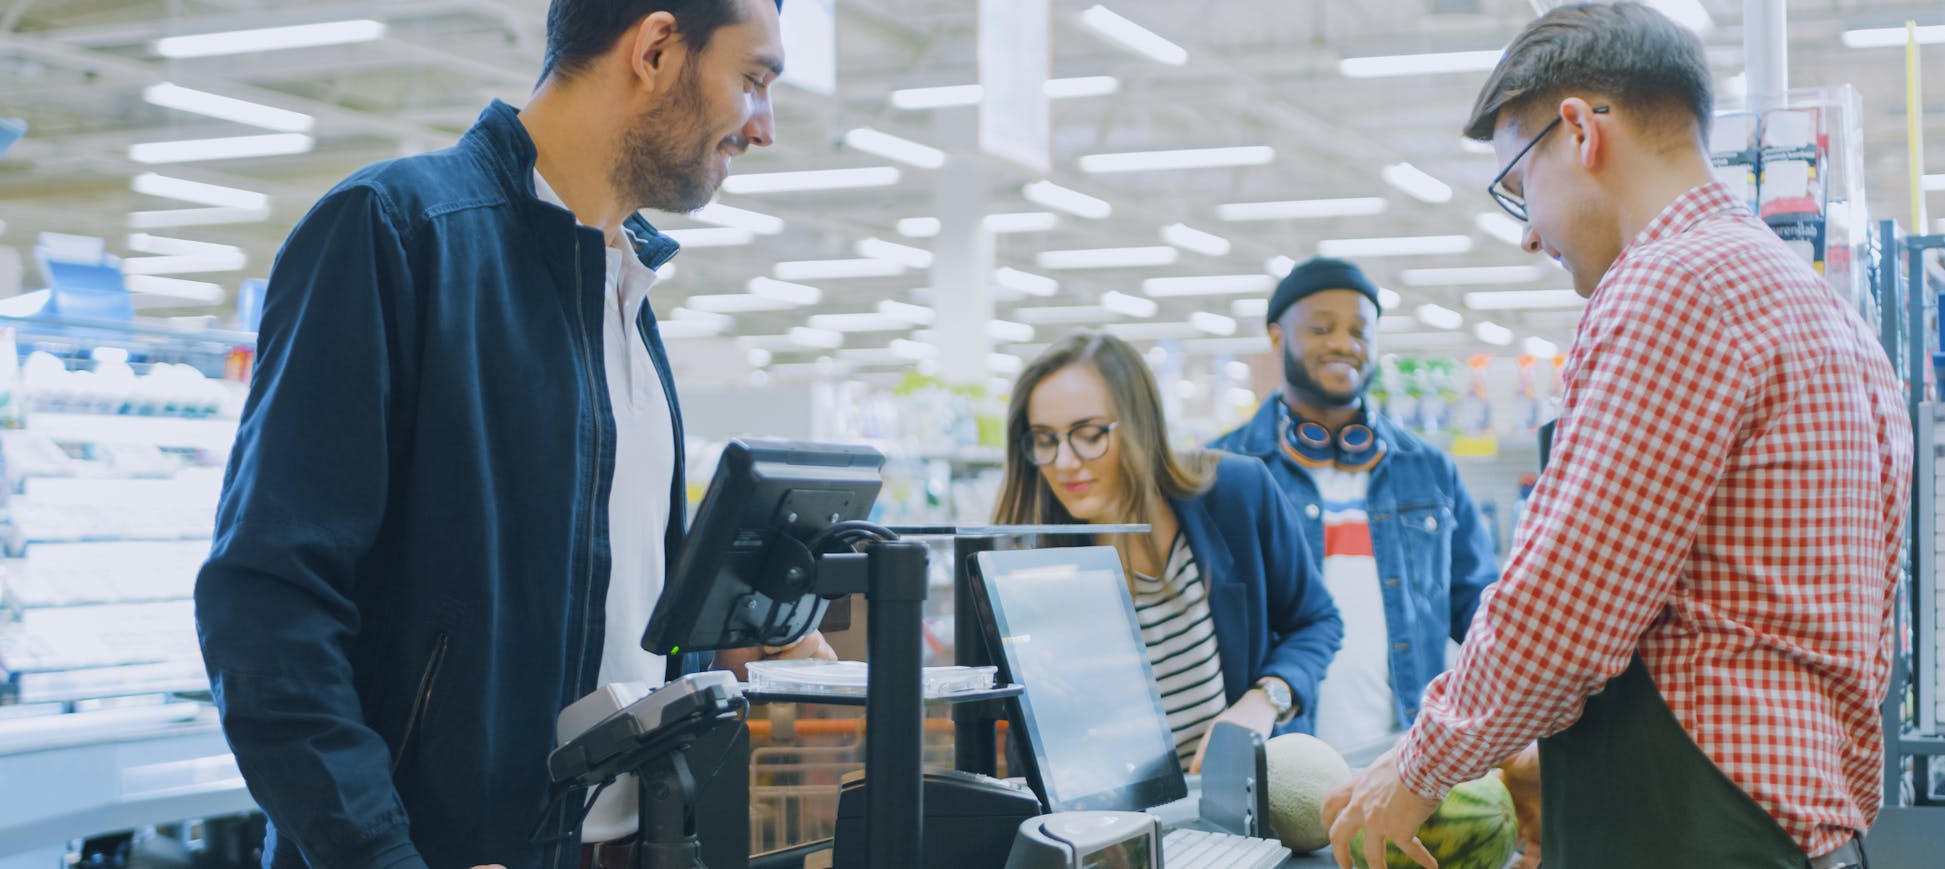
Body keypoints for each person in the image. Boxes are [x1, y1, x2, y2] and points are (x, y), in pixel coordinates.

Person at [191, 3, 833, 869]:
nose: (764, 127)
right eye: (753, 81)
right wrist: (382, 854)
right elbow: (266, 605)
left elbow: (589, 602)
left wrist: (727, 647)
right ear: (653, 49)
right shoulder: (396, 232)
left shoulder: (624, 290)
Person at [1320, 5, 1913, 869]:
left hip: (1697, 838)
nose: (1528, 234)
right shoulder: (1819, 307)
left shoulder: (1670, 286)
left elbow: (1562, 608)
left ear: (1578, 131)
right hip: (1802, 830)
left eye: (1519, 189)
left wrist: (1418, 768)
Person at [992, 329, 1344, 771]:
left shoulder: (1236, 495)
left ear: (1140, 425)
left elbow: (1316, 621)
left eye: (1089, 434)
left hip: (1240, 810)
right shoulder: (1036, 565)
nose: (1064, 462)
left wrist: (1264, 700)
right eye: (1045, 439)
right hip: (1112, 825)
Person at [1210, 256, 1500, 759]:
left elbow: (1477, 608)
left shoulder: (1428, 469)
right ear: (1278, 340)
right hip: (1280, 757)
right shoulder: (1226, 471)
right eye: (1322, 328)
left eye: (1360, 331)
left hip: (1407, 757)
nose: (1344, 343)